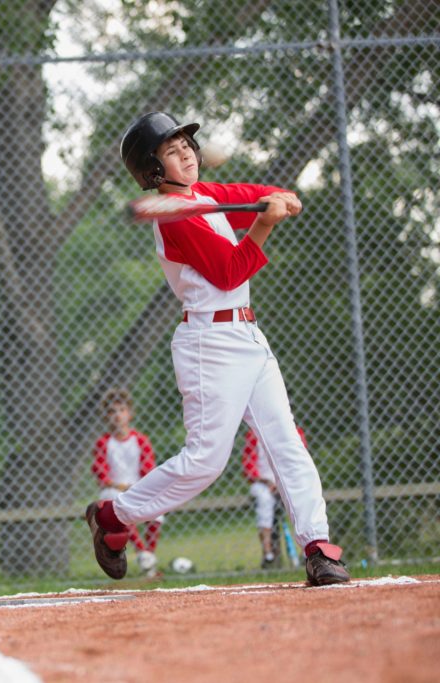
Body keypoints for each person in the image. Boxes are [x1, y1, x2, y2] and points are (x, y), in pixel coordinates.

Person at [84, 112, 350, 587]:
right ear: (153, 170)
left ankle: (317, 547)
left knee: (287, 442)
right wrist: (265, 226)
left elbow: (252, 194)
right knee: (207, 459)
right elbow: (230, 273)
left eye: (186, 143)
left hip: (248, 337)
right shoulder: (175, 221)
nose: (185, 151)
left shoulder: (205, 196)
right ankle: (112, 516)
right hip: (210, 343)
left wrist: (280, 199)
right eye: (171, 149)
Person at [90, 388, 163, 577]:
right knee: (117, 504)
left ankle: (149, 557)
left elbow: (148, 469)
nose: (117, 415)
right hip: (114, 489)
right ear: (106, 416)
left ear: (130, 413)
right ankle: (142, 553)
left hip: (139, 486)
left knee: (158, 509)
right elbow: (101, 475)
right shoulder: (103, 442)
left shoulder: (140, 440)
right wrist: (119, 485)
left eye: (121, 410)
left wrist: (138, 486)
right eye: (112, 411)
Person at [243, 426, 307, 568]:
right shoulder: (254, 434)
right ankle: (268, 552)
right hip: (262, 483)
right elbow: (248, 467)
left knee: (301, 497)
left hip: (288, 481)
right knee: (264, 499)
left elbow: (300, 463)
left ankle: (307, 550)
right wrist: (266, 482)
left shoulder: (294, 431)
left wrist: (283, 482)